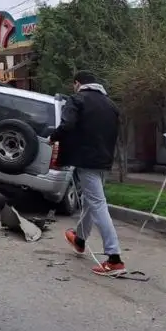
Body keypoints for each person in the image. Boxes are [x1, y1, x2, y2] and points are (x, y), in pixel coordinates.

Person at [48, 70, 125, 276]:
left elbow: (67, 125)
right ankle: (80, 239)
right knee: (91, 200)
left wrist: (53, 137)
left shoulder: (77, 100)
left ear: (77, 83)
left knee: (97, 203)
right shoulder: (110, 105)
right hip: (104, 160)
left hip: (86, 160)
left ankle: (114, 258)